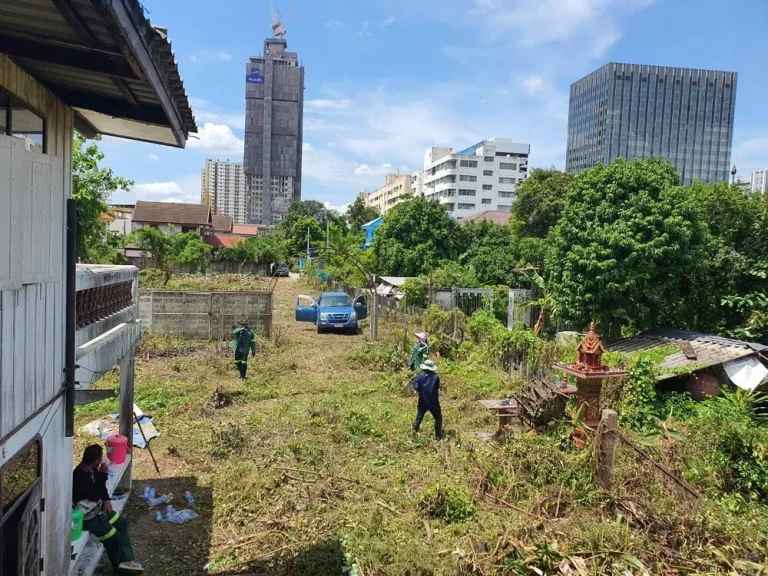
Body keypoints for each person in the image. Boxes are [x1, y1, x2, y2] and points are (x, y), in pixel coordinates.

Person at [72, 445, 144, 574]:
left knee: (121, 523)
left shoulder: (90, 470)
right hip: (88, 517)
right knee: (113, 537)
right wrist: (103, 474)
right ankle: (119, 567)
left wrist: (106, 499)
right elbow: (95, 494)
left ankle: (127, 560)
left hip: (98, 509)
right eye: (100, 458)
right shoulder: (80, 476)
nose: (101, 460)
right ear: (95, 460)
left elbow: (100, 492)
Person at [412, 360, 443, 439]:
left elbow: (416, 387)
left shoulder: (419, 376)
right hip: (434, 402)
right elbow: (437, 387)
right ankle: (438, 436)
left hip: (422, 401)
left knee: (419, 418)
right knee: (438, 418)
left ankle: (413, 435)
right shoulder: (436, 377)